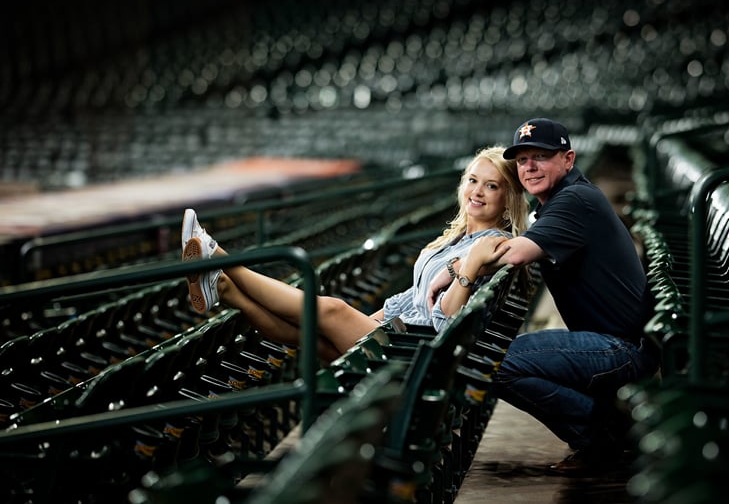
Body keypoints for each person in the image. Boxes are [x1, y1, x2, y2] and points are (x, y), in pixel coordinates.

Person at [433, 118, 660, 475]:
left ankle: (603, 434)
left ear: (568, 159)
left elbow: (513, 253)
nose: (530, 167)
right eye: (522, 160)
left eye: (541, 156)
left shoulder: (576, 199)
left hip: (621, 349)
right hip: (614, 343)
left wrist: (453, 271)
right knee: (488, 360)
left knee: (488, 364)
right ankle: (603, 428)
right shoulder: (561, 199)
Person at [180, 145, 529, 363]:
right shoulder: (455, 240)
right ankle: (224, 289)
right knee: (307, 332)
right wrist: (376, 318)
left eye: (492, 185)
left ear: (507, 199)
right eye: (472, 180)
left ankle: (221, 259)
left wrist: (467, 268)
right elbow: (415, 298)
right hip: (402, 333)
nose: (477, 191)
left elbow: (447, 321)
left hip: (417, 350)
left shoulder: (491, 245)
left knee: (332, 309)